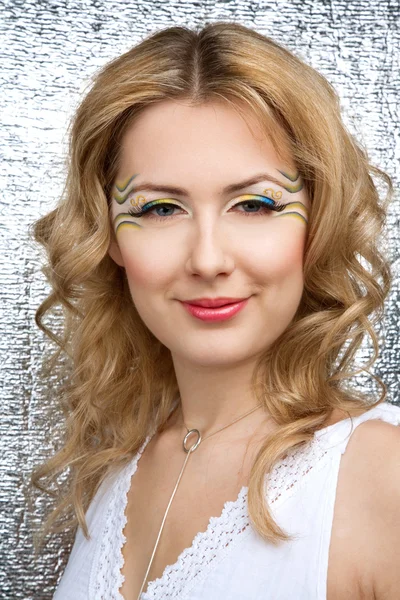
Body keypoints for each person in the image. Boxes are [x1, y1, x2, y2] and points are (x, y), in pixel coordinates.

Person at [30, 22, 400, 600]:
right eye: (158, 209)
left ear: (320, 220)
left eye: (254, 204)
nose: (207, 259)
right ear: (107, 235)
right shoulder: (115, 461)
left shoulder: (383, 476)